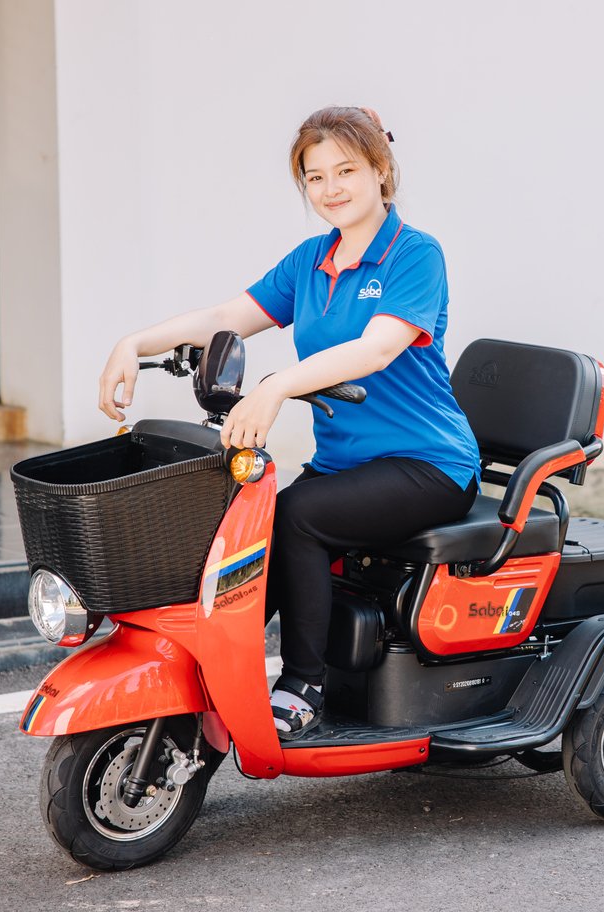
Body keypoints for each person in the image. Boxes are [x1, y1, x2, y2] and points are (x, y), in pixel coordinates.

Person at [98, 105, 480, 739]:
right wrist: (132, 342)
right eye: (315, 176)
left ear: (381, 170)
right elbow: (228, 317)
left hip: (428, 463)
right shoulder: (311, 260)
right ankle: (204, 675)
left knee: (299, 516)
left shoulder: (415, 254)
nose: (331, 188)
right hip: (346, 464)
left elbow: (376, 349)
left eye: (346, 170)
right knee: (250, 533)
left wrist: (276, 386)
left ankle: (304, 684)